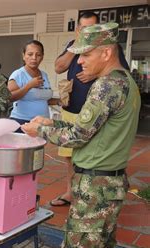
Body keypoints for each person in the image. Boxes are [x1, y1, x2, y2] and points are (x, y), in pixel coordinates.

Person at [22, 22, 141, 248]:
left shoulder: (107, 86)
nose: (81, 62)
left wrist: (40, 130)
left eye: (86, 54)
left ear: (106, 53)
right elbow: (92, 130)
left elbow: (78, 137)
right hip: (110, 183)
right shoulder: (126, 81)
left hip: (94, 188)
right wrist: (52, 123)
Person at [52, 12, 130, 207]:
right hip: (73, 108)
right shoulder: (73, 45)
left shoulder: (108, 50)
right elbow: (59, 67)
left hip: (99, 111)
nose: (81, 61)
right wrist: (78, 44)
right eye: (84, 28)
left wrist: (96, 75)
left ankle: (89, 193)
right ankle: (72, 191)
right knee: (70, 156)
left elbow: (120, 72)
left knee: (92, 152)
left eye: (86, 56)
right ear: (78, 29)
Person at [8, 40, 57, 132]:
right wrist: (29, 86)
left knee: (40, 147)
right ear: (23, 56)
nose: (34, 58)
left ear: (42, 57)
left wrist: (59, 101)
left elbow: (41, 98)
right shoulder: (18, 74)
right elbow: (9, 97)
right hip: (22, 122)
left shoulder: (44, 75)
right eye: (30, 54)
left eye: (38, 55)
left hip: (42, 123)